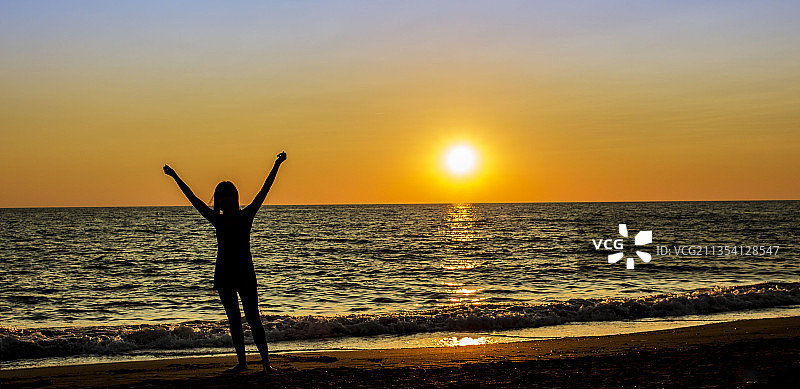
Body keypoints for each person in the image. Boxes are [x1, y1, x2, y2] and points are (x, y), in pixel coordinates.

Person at [163, 151, 287, 374]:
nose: (223, 200)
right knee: (234, 320)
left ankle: (266, 364)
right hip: (224, 275)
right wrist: (174, 176)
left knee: (253, 318)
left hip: (245, 273)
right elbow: (193, 199)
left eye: (227, 196)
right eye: (219, 196)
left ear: (234, 197)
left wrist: (277, 164)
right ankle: (242, 363)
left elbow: (264, 190)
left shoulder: (245, 216)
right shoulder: (217, 219)